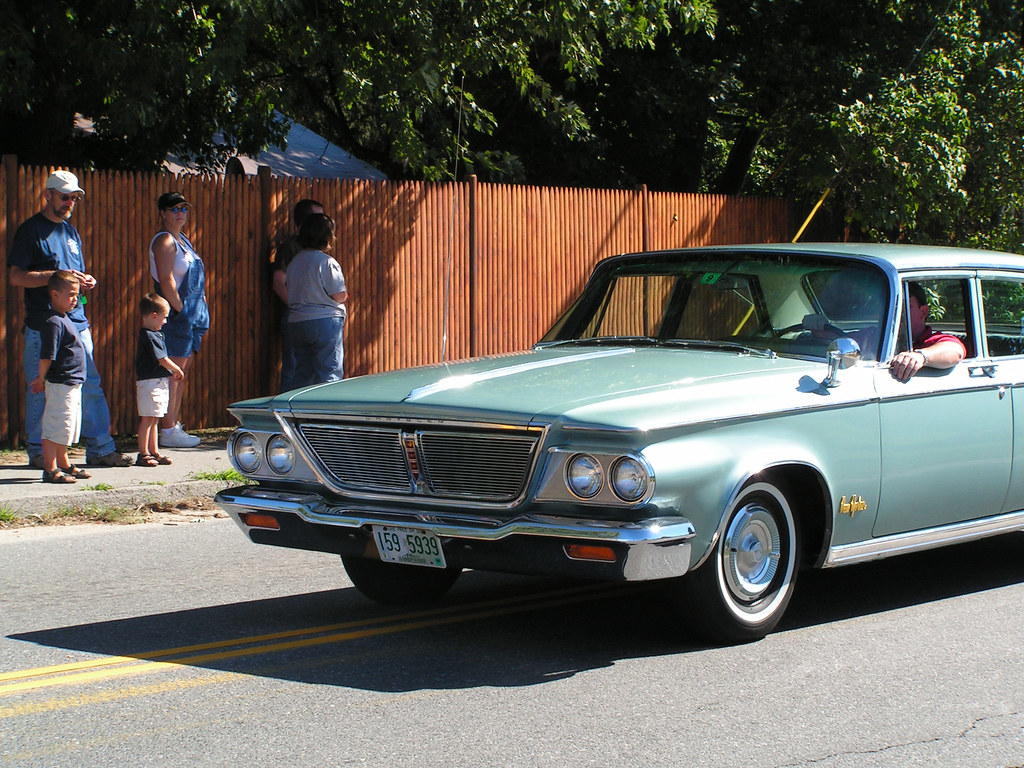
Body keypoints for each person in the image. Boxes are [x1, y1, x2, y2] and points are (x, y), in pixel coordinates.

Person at [8, 170, 131, 469]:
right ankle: (39, 452)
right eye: (65, 197)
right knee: (40, 387)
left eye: (74, 198)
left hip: (77, 324)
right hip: (43, 326)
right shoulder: (30, 231)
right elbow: (15, 277)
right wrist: (52, 277)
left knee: (90, 383)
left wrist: (85, 288)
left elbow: (74, 283)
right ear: (48, 194)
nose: (69, 203)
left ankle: (101, 449)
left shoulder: (71, 232)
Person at [149, 191, 209, 448]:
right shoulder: (164, 241)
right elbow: (166, 280)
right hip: (176, 315)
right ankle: (168, 428)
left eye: (184, 208)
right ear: (162, 213)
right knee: (173, 373)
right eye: (174, 209)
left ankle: (173, 423)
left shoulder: (183, 240)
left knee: (181, 373)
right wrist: (181, 309)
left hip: (193, 314)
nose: (180, 213)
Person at [30, 271, 92, 483]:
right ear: (54, 294)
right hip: (60, 383)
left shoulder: (65, 318)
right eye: (71, 295)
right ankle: (50, 469)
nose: (75, 299)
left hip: (72, 383)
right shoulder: (53, 322)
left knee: (66, 426)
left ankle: (64, 463)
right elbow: (47, 355)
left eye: (77, 295)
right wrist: (40, 378)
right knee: (55, 426)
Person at [285, 213, 349, 386]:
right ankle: (326, 410)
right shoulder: (327, 262)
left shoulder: (295, 262)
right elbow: (338, 294)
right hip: (324, 321)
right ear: (328, 237)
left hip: (297, 322)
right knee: (329, 373)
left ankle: (298, 410)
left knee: (302, 372)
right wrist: (344, 296)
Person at [272, 198, 324, 392]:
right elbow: (279, 283)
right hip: (298, 316)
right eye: (317, 218)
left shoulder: (319, 250)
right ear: (303, 223)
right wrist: (298, 309)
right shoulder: (290, 248)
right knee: (294, 368)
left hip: (317, 318)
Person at [135, 293, 185, 467]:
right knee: (148, 418)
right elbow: (162, 359)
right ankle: (143, 453)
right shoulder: (149, 336)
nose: (165, 322)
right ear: (154, 316)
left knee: (155, 418)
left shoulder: (155, 335)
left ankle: (153, 451)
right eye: (164, 318)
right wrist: (176, 368)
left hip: (157, 381)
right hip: (150, 383)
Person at [888, 282, 967, 381]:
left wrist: (920, 357)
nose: (896, 314)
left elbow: (955, 350)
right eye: (890, 308)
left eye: (903, 307)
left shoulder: (933, 341)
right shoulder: (872, 336)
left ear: (923, 312)